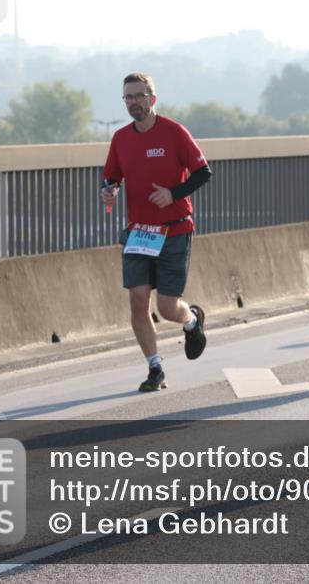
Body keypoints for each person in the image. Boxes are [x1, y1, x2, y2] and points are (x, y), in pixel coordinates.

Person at [101, 73, 212, 392]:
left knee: (166, 307)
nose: (134, 101)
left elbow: (204, 172)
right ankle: (155, 368)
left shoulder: (174, 132)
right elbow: (111, 177)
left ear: (153, 98)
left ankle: (191, 319)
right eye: (128, 97)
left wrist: (173, 193)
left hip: (175, 230)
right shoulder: (121, 138)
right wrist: (108, 191)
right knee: (138, 300)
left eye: (140, 95)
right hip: (139, 232)